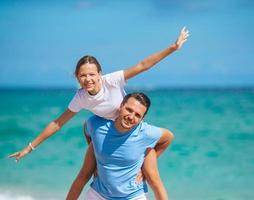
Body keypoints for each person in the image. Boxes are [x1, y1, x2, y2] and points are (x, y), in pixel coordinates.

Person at [9, 27, 189, 161]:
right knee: (90, 126)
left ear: (99, 74)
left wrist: (172, 48)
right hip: (109, 127)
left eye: (91, 74)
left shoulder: (112, 80)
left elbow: (143, 65)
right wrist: (30, 147)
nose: (88, 79)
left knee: (153, 153)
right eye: (83, 75)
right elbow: (58, 123)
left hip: (129, 122)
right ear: (77, 78)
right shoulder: (81, 97)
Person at [66, 92, 174, 200]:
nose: (131, 117)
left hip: (133, 196)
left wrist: (145, 162)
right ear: (121, 106)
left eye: (137, 115)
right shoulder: (96, 124)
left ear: (142, 118)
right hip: (98, 195)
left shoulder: (146, 133)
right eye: (129, 109)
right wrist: (96, 151)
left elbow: (168, 137)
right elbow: (87, 128)